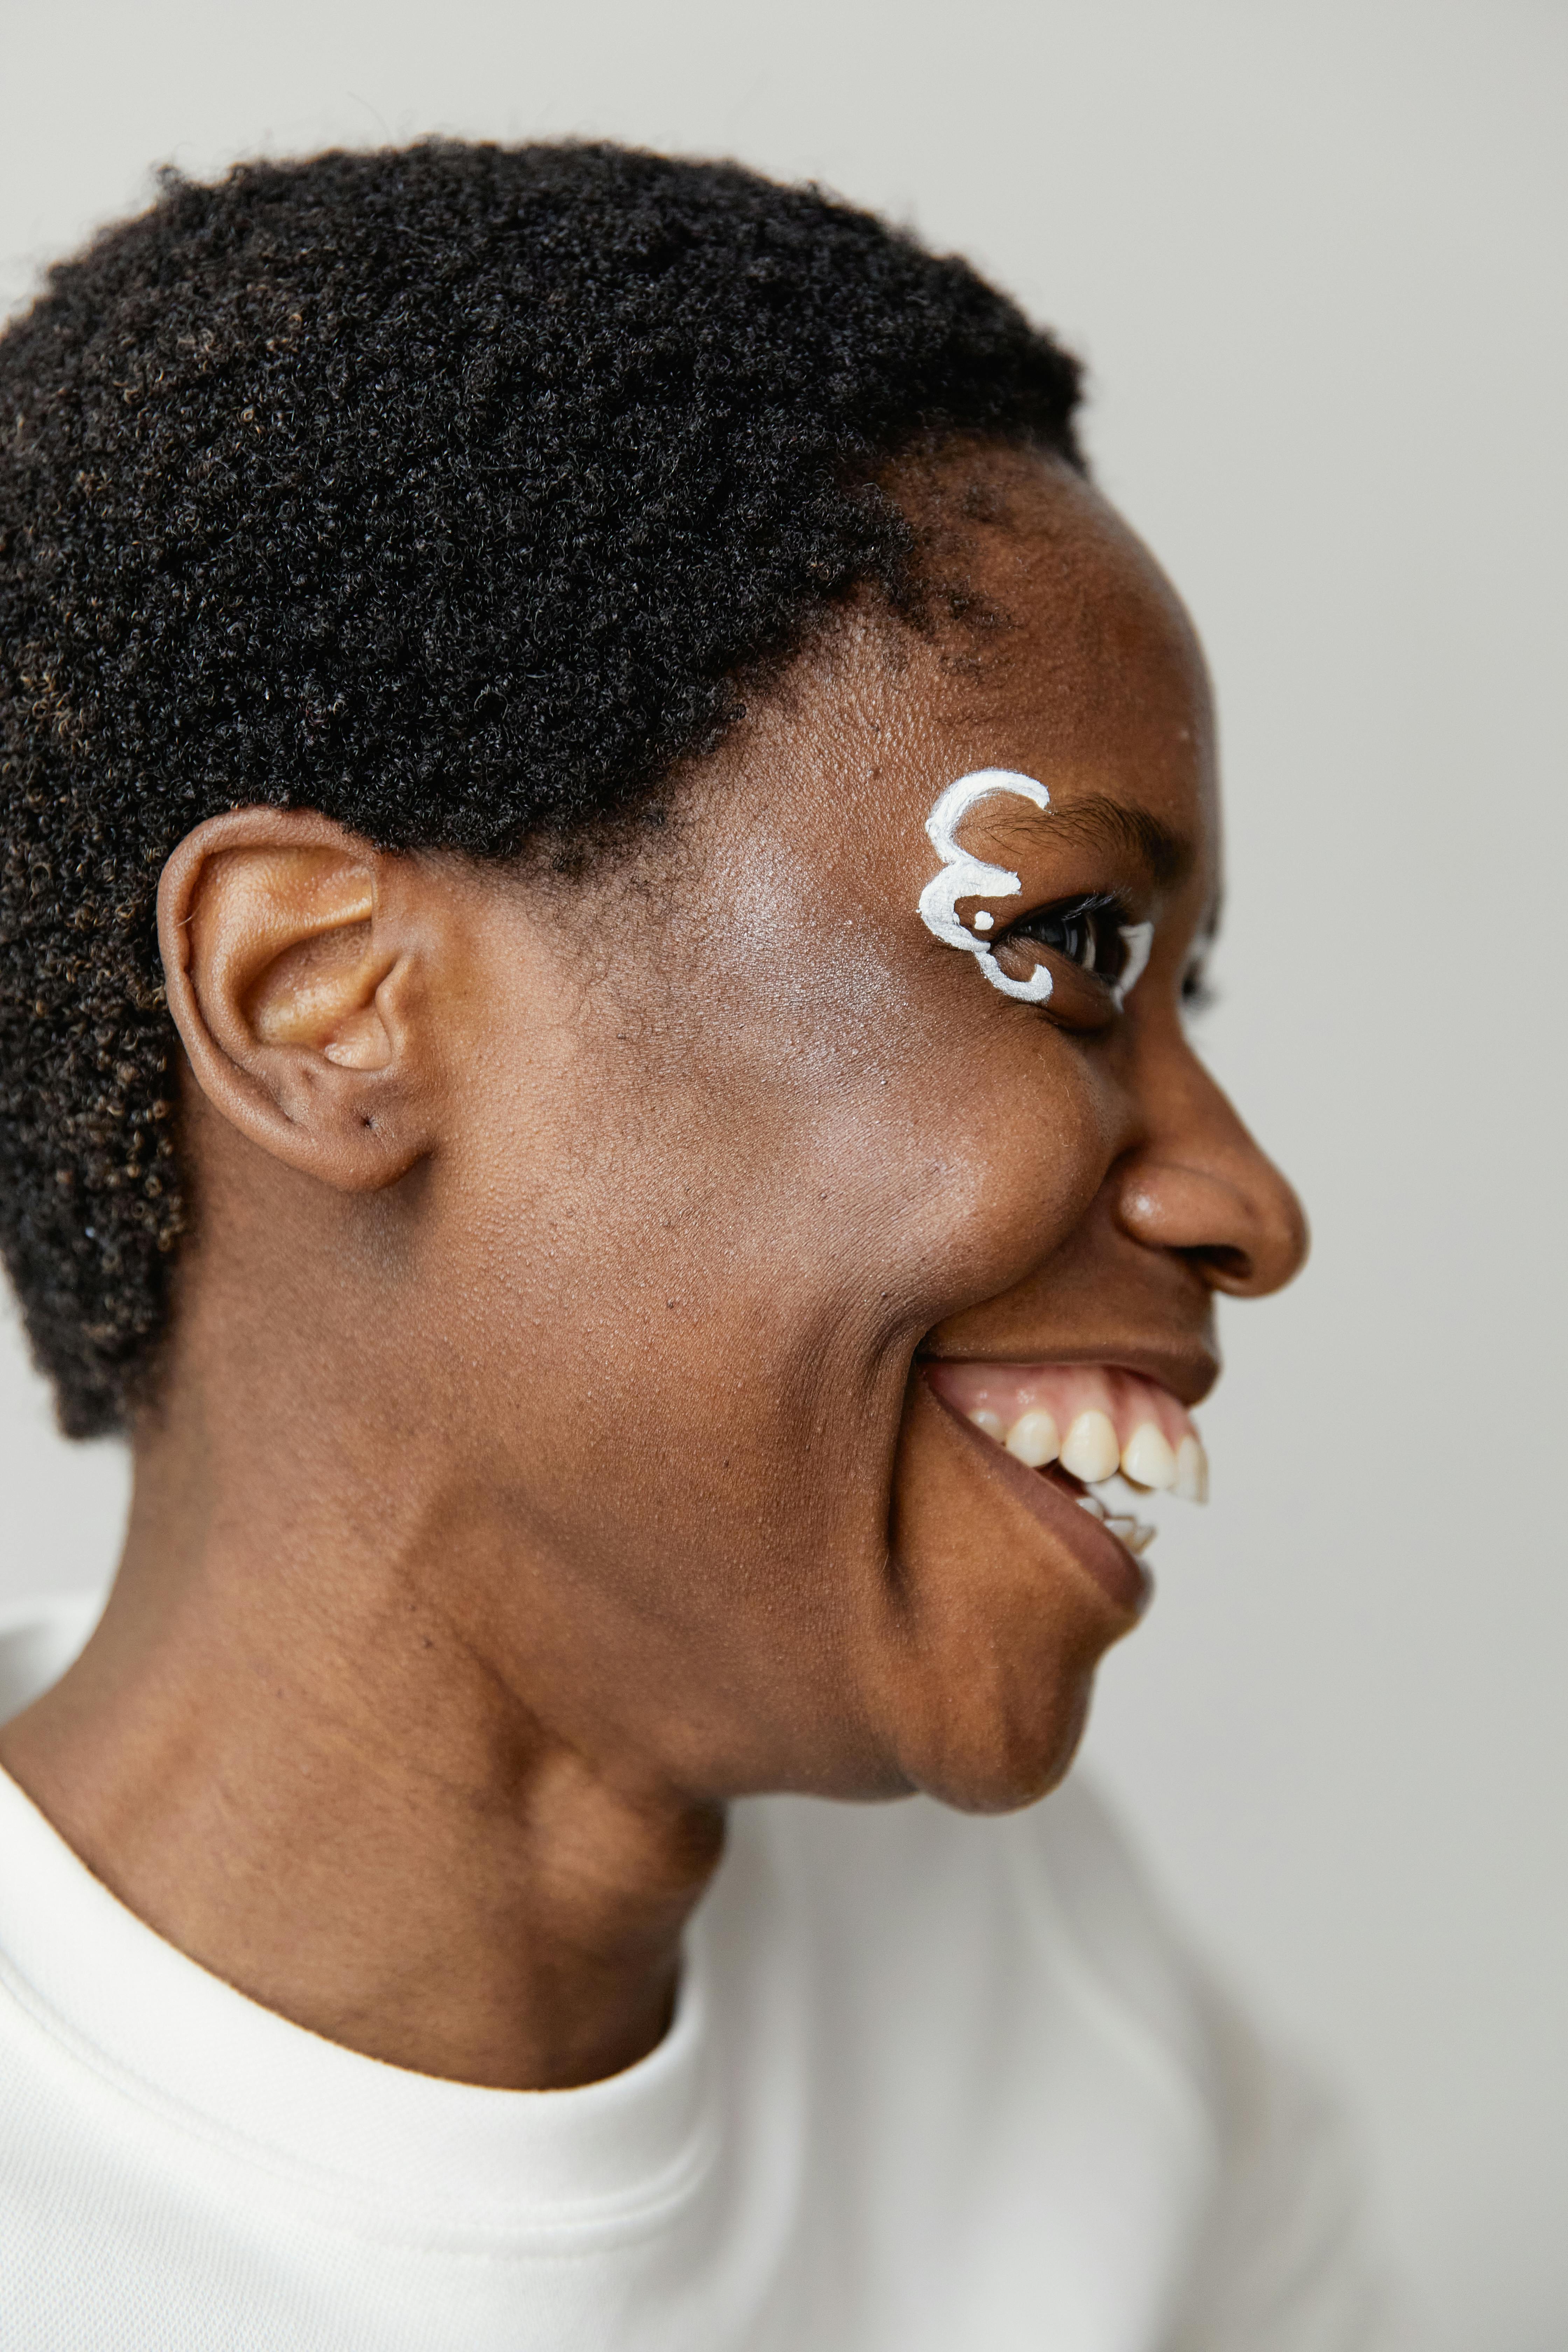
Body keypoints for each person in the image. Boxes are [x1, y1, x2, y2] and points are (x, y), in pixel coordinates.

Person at [0, 141, 1386, 2347]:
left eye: (1181, 999)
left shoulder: (1047, 2022)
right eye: (1065, 947)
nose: (1245, 1202)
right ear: (323, 1002)